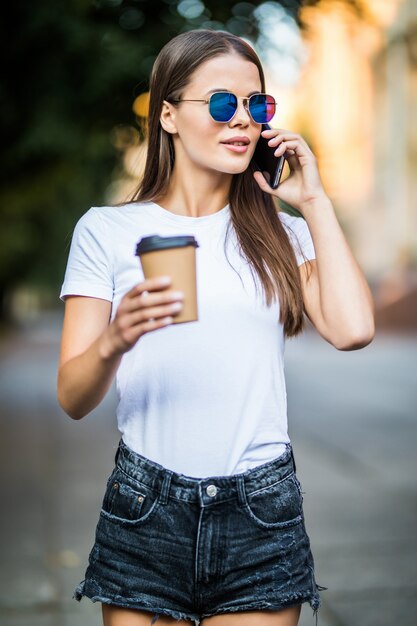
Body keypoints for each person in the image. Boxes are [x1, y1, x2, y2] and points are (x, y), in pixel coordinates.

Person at [57, 28, 375, 626]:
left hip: (260, 512)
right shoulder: (106, 231)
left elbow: (354, 329)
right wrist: (115, 338)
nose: (243, 121)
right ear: (169, 116)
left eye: (257, 105)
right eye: (223, 103)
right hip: (145, 510)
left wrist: (315, 202)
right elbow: (72, 397)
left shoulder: (282, 233)